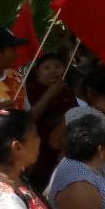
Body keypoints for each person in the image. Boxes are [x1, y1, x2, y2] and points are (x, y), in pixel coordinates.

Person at [23, 53, 79, 190]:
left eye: (57, 66)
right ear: (37, 73)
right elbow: (30, 118)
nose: (53, 71)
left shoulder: (66, 88)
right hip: (42, 151)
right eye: (46, 68)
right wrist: (50, 94)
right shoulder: (30, 91)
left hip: (68, 147)